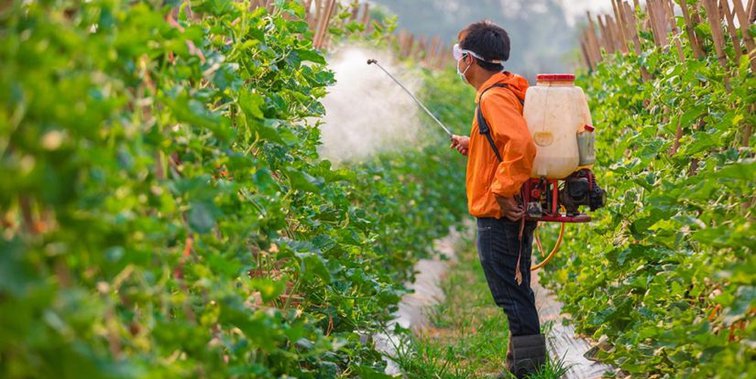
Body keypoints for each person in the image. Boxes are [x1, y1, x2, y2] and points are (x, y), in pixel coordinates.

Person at [449, 20, 545, 378]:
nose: (457, 62)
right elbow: (504, 143)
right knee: (516, 288)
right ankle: (521, 366)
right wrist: (474, 144)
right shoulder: (505, 90)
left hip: (500, 213)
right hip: (507, 211)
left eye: (459, 55)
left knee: (510, 293)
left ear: (470, 60)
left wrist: (502, 191)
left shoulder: (493, 96)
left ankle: (529, 371)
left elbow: (520, 145)